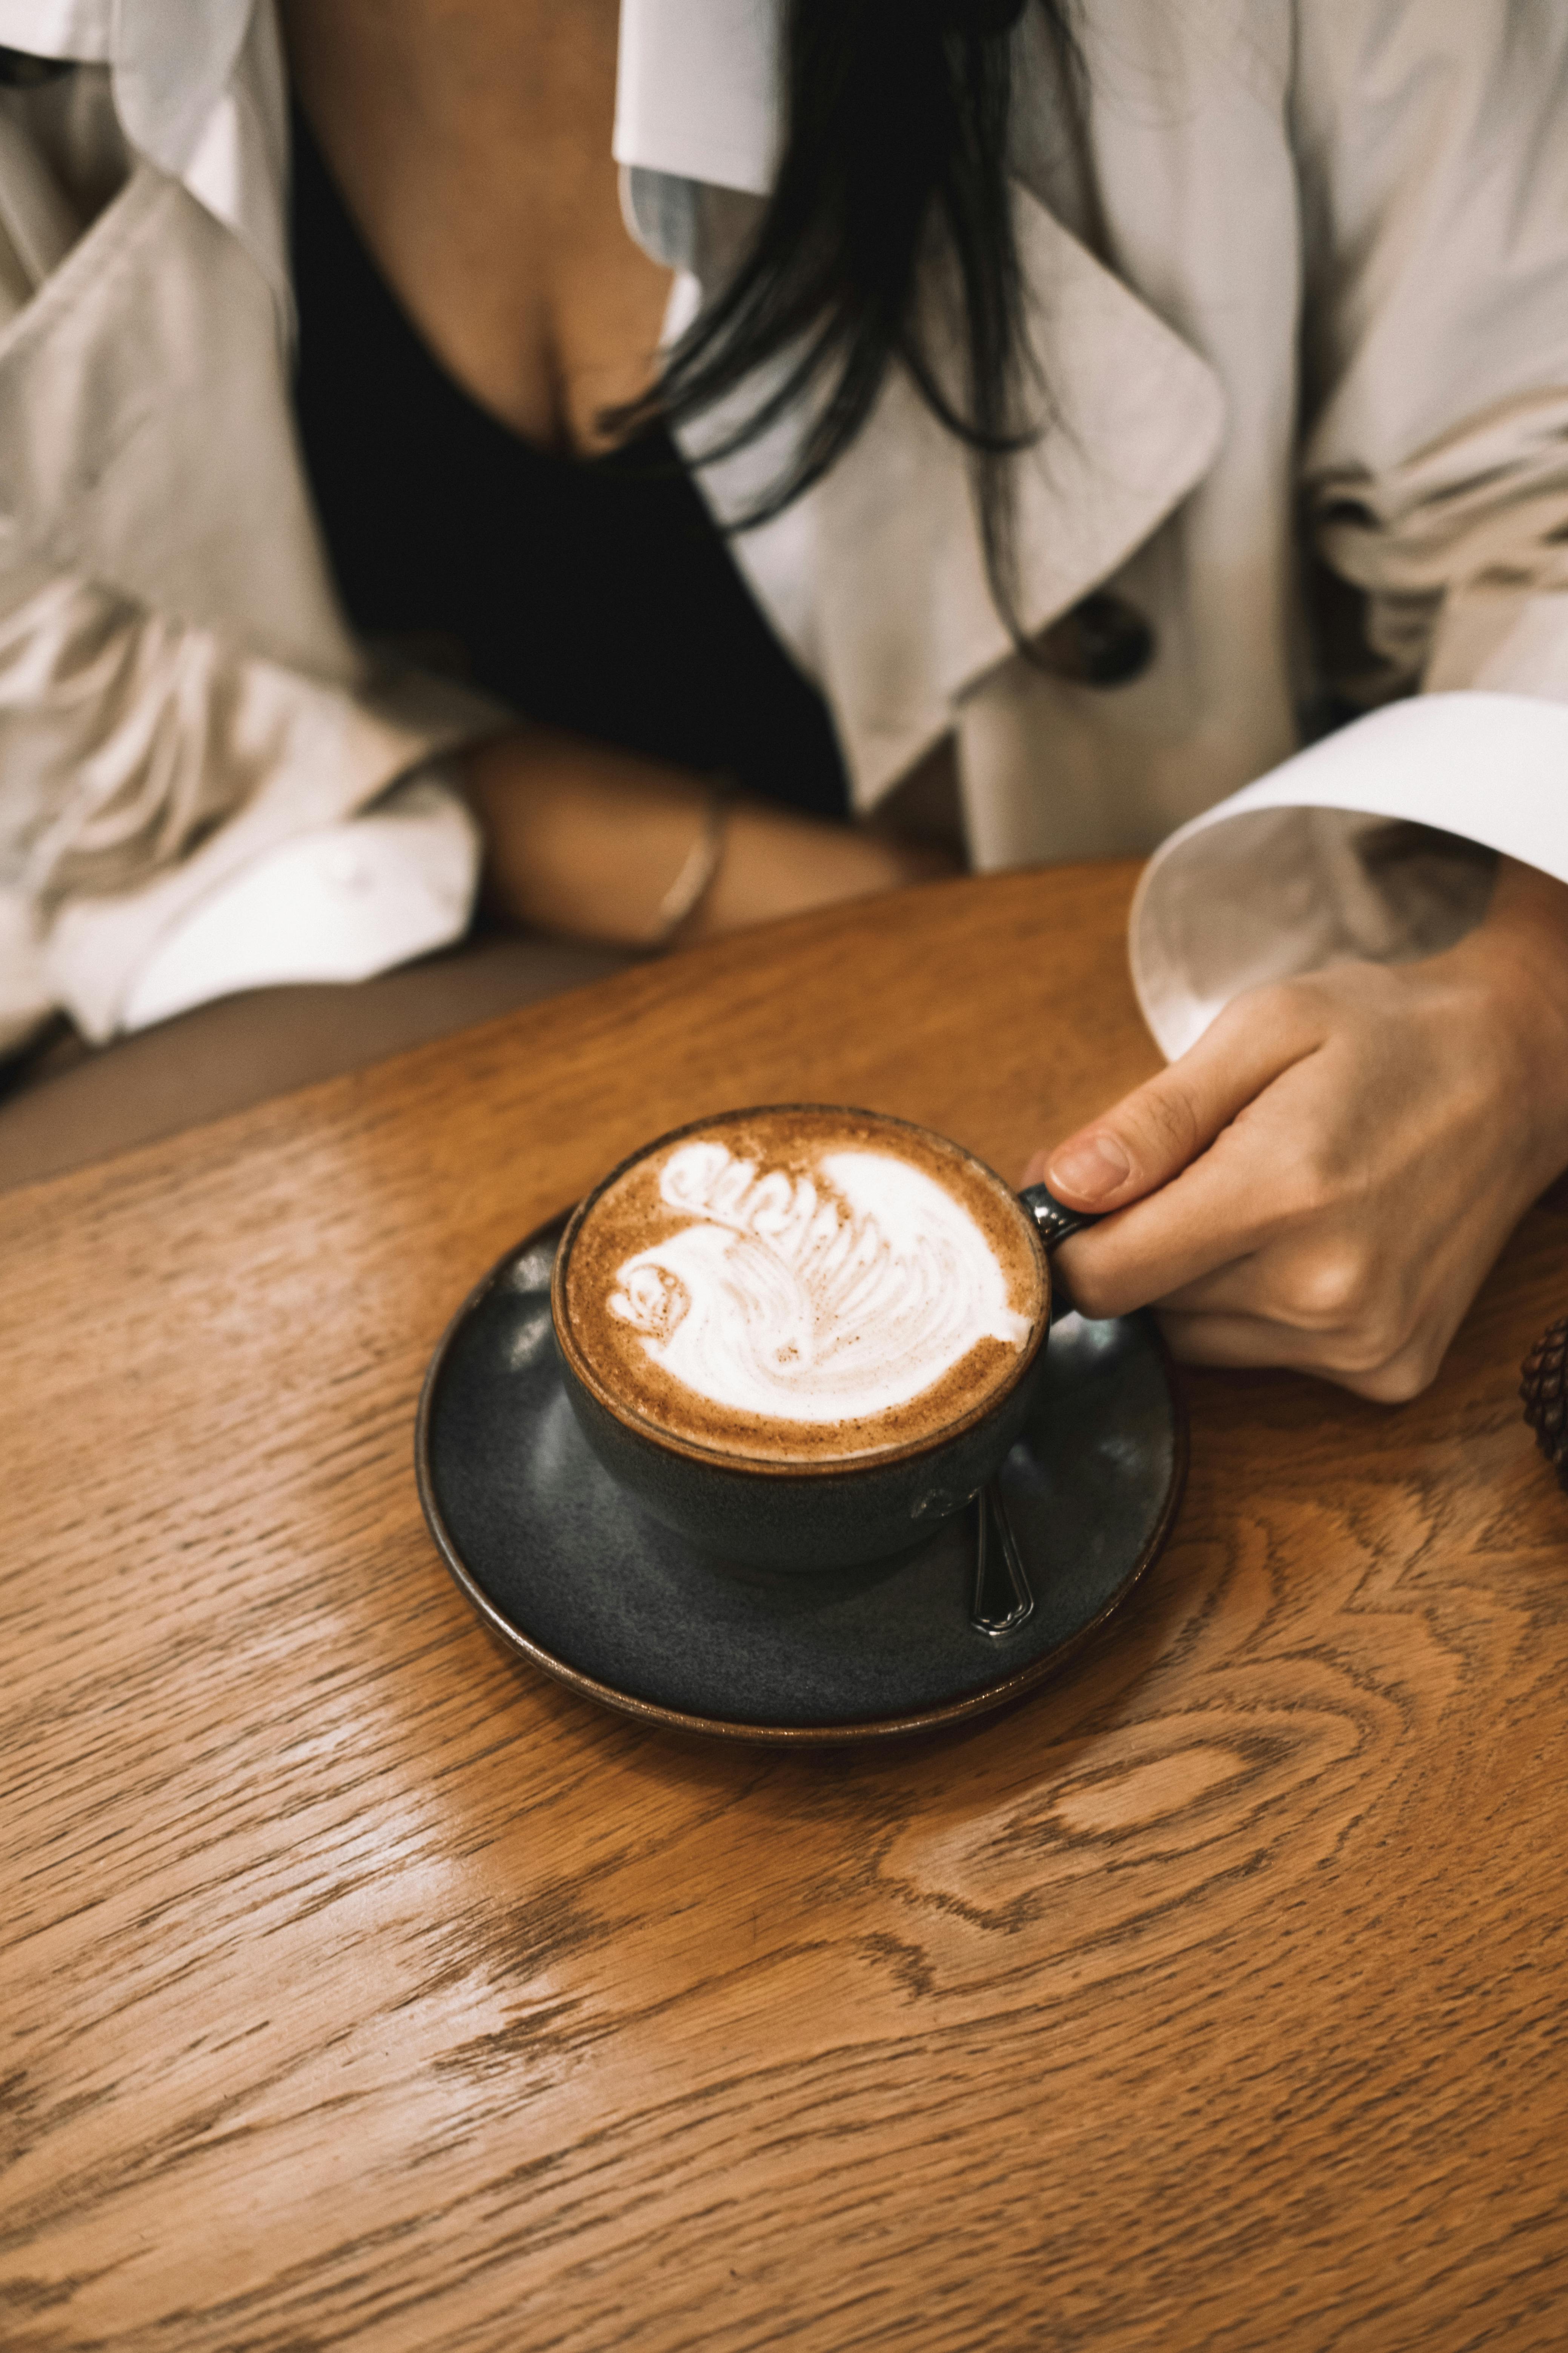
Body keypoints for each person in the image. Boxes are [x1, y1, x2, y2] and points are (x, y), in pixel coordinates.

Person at [2, 1, 1567, 1404]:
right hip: (423, 918)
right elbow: (94, 666)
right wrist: (795, 889)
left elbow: (1533, 497)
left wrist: (1525, 1016)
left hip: (1198, 1030)